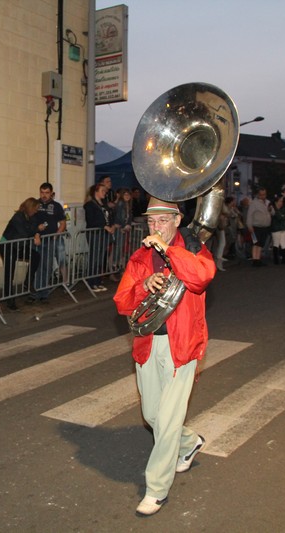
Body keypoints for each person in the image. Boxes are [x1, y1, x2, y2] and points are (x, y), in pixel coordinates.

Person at [113, 197, 216, 517]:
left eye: (162, 221)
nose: (155, 228)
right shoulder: (141, 257)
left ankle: (156, 488)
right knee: (153, 416)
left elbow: (200, 277)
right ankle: (189, 443)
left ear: (177, 220)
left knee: (168, 420)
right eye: (151, 222)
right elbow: (122, 301)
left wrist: (168, 250)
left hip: (181, 344)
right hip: (148, 342)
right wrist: (144, 285)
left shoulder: (194, 248)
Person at [0, 198, 43, 310]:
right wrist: (37, 230)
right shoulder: (18, 217)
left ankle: (28, 281)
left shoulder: (32, 216)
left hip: (19, 245)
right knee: (10, 272)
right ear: (30, 207)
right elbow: (24, 232)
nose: (37, 211)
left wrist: (37, 233)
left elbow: (33, 229)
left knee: (35, 256)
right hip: (7, 246)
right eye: (35, 208)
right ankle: (10, 300)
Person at [31, 183, 67, 303]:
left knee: (47, 266)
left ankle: (44, 293)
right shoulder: (35, 204)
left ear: (51, 193)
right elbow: (30, 221)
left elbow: (63, 223)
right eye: (42, 192)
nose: (44, 195)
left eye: (46, 193)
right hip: (37, 240)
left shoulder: (56, 206)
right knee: (37, 266)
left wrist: (56, 236)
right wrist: (36, 232)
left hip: (50, 240)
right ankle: (36, 291)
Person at [84, 184, 114, 291]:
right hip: (95, 234)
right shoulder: (90, 205)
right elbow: (91, 221)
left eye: (105, 191)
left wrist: (111, 225)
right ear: (96, 192)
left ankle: (98, 281)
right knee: (94, 258)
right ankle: (91, 282)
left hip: (104, 233)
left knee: (101, 258)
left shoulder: (104, 204)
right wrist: (104, 226)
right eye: (102, 191)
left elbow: (109, 216)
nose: (104, 193)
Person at [111, 188, 134, 279]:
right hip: (119, 228)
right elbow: (119, 216)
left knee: (122, 246)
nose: (127, 196)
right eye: (125, 194)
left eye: (128, 194)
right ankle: (115, 263)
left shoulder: (128, 205)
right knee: (118, 246)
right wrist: (124, 226)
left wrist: (128, 224)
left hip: (123, 227)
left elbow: (129, 217)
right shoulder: (121, 204)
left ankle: (118, 264)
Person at [246, 188, 271, 267]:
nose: (263, 196)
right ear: (258, 195)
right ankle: (255, 259)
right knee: (255, 243)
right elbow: (249, 215)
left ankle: (258, 258)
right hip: (256, 226)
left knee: (261, 243)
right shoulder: (254, 203)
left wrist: (270, 210)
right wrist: (249, 225)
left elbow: (272, 212)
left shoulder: (267, 202)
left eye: (264, 194)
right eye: (261, 194)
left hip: (265, 226)